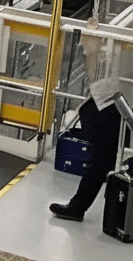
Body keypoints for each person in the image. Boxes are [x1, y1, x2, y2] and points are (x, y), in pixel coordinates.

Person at [50, 19, 123, 221]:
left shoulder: (109, 73)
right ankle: (79, 207)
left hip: (112, 106)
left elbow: (96, 80)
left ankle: (78, 208)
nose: (82, 46)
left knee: (99, 162)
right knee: (100, 162)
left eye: (86, 42)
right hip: (109, 104)